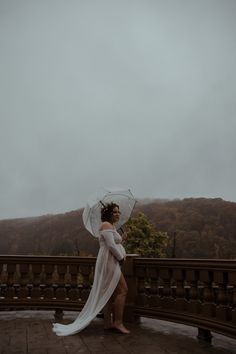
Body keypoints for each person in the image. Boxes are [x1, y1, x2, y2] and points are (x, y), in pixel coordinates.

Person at [52, 202, 130, 336]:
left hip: (109, 261)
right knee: (123, 290)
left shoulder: (111, 227)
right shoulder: (106, 225)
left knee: (109, 292)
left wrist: (122, 239)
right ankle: (118, 322)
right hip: (109, 261)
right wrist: (121, 258)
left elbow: (114, 242)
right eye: (115, 212)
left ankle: (107, 323)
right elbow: (110, 245)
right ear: (108, 213)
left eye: (118, 212)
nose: (118, 214)